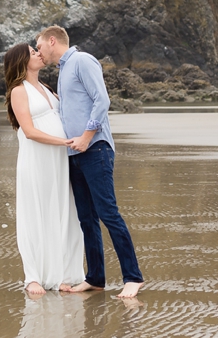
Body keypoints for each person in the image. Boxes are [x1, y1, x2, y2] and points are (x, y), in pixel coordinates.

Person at [34, 25, 145, 299]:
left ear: (52, 40)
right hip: (74, 154)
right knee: (87, 219)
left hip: (95, 148)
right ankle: (95, 278)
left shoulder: (82, 61)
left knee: (108, 213)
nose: (39, 53)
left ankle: (133, 277)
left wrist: (86, 136)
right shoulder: (62, 71)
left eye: (39, 47)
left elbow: (102, 100)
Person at [3, 41, 86, 296]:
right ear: (21, 61)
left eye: (37, 50)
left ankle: (63, 274)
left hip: (59, 160)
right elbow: (28, 131)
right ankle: (34, 277)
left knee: (62, 211)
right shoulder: (19, 90)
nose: (38, 54)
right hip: (37, 160)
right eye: (32, 53)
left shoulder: (48, 89)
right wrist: (64, 141)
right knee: (36, 213)